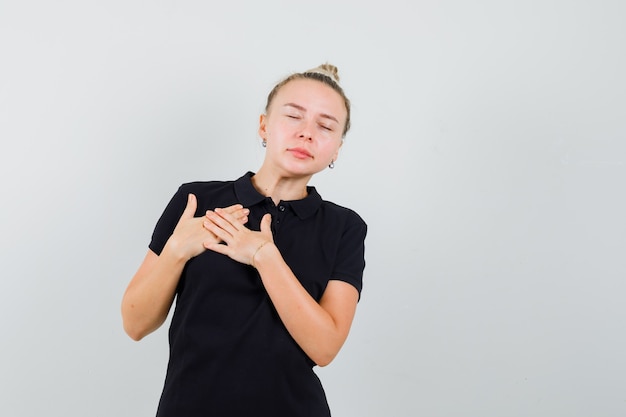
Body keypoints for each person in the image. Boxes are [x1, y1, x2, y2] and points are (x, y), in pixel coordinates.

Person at [121, 63, 367, 416]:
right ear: (264, 125)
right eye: (294, 117)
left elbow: (325, 348)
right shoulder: (196, 201)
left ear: (337, 150)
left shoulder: (344, 227)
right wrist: (177, 250)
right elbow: (135, 324)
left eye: (325, 126)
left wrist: (266, 256)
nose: (307, 133)